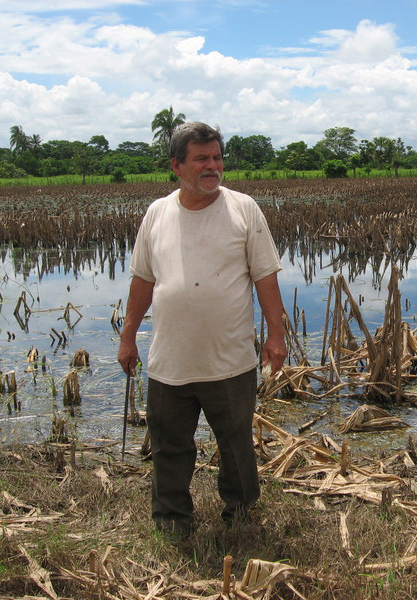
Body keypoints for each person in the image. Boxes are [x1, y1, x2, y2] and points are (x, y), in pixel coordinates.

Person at [118, 122, 286, 538]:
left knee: (235, 446)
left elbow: (266, 278)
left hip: (229, 360)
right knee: (169, 446)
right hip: (169, 361)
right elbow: (142, 281)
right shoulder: (157, 213)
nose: (213, 167)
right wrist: (128, 337)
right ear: (177, 165)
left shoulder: (243, 208)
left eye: (217, 158)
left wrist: (276, 336)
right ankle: (172, 519)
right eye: (202, 159)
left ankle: (241, 513)